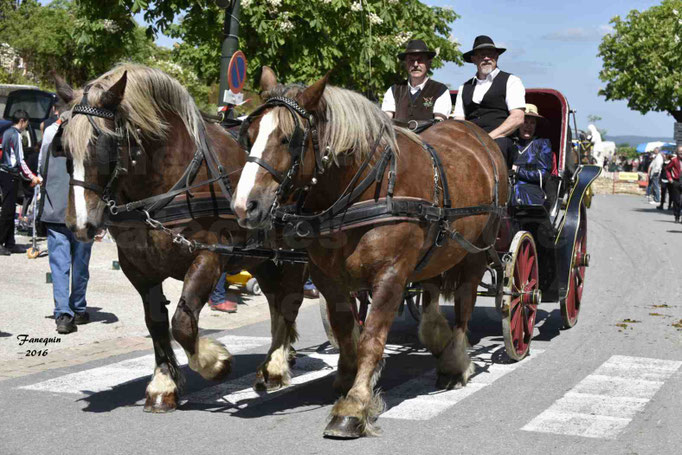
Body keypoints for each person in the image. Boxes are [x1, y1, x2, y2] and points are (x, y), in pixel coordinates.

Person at [39, 110, 93, 334]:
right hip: (81, 211)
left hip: (56, 208)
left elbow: (42, 166)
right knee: (80, 263)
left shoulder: (51, 133)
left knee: (59, 265)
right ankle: (78, 307)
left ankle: (63, 313)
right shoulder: (89, 135)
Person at [453, 35, 526, 168]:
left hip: (500, 140)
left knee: (496, 149)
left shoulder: (511, 81)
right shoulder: (464, 88)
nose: (486, 58)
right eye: (481, 55)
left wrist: (488, 139)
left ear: (496, 57)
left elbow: (517, 117)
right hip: (471, 140)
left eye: (490, 54)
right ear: (473, 59)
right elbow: (459, 122)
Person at [0, 110, 41, 256]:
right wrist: (32, 177)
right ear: (22, 121)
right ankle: (1, 242)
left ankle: (10, 243)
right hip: (10, 174)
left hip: (4, 173)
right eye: (26, 123)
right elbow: (20, 160)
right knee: (8, 211)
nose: (26, 125)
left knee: (9, 210)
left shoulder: (6, 132)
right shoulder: (16, 135)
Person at [381, 39, 452, 122]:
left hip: (428, 135)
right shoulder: (393, 90)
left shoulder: (440, 90)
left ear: (428, 63)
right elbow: (385, 119)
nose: (415, 64)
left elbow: (439, 123)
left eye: (420, 60)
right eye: (411, 60)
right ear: (405, 64)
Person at [510, 104, 552, 206]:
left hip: (530, 192)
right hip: (506, 188)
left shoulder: (542, 144)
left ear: (536, 126)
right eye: (525, 121)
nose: (528, 126)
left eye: (532, 123)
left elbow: (543, 174)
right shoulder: (509, 142)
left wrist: (517, 170)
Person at [664, 146, 682, 223]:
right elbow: (667, 169)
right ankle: (677, 216)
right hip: (676, 182)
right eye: (680, 152)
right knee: (677, 201)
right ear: (677, 153)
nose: (681, 153)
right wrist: (670, 178)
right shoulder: (674, 160)